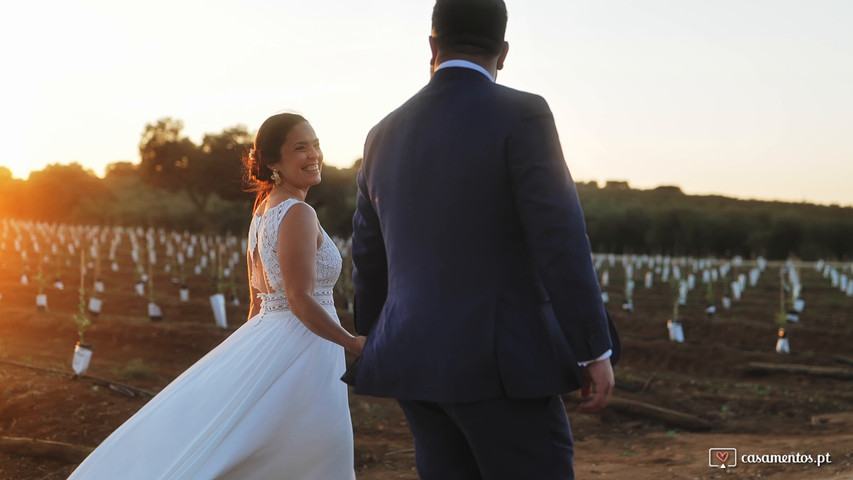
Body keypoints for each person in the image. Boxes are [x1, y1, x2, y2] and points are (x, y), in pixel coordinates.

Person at [350, 1, 619, 478]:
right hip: (500, 369)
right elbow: (559, 239)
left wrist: (376, 338)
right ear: (505, 51)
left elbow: (369, 254)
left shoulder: (380, 134)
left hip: (412, 361)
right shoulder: (523, 114)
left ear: (432, 45)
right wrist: (592, 349)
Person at [68, 113, 363, 480]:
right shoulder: (298, 213)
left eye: (316, 144)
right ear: (273, 161)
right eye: (300, 148)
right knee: (313, 448)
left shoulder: (263, 211)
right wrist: (351, 343)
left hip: (277, 338)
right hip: (304, 346)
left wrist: (249, 358)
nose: (313, 154)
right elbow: (300, 298)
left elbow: (258, 300)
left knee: (275, 442)